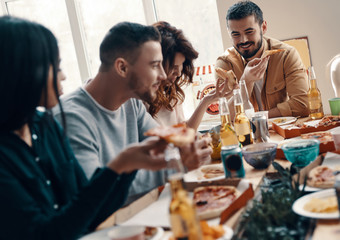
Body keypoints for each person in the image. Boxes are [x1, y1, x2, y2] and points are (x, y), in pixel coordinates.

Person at [0, 16, 169, 239]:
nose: (63, 75)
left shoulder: (44, 126)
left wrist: (124, 167)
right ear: (23, 72)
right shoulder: (7, 154)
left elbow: (91, 208)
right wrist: (119, 166)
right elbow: (45, 233)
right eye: (56, 66)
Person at [54, 22, 212, 202]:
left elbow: (167, 150)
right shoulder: (71, 117)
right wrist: (176, 166)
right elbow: (94, 192)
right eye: (154, 65)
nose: (162, 75)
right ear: (122, 67)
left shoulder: (133, 104)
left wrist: (187, 150)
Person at [215, 0, 309, 118]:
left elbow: (303, 105)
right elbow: (227, 116)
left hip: (283, 131)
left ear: (263, 27)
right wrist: (246, 81)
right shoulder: (224, 64)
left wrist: (260, 117)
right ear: (229, 33)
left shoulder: (286, 55)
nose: (243, 40)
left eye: (249, 32)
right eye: (236, 34)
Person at [146, 21, 230, 130]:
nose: (179, 73)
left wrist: (206, 101)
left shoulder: (170, 91)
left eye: (181, 65)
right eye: (173, 66)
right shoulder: (140, 101)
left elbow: (184, 132)